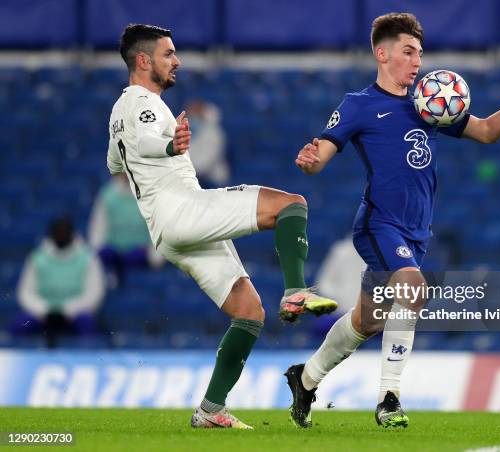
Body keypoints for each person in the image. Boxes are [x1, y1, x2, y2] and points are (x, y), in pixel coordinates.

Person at [285, 12, 500, 428]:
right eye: (408, 52)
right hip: (379, 225)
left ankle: (305, 379)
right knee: (412, 285)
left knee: (368, 320)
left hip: (416, 232)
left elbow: (485, 132)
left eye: (420, 54)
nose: (416, 61)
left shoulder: (429, 105)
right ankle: (389, 398)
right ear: (382, 53)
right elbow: (319, 156)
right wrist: (309, 161)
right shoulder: (359, 105)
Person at [108, 24, 337, 430]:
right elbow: (145, 142)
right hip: (182, 210)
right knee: (290, 205)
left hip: (168, 232)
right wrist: (168, 146)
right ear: (143, 61)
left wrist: (153, 157)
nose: (176, 60)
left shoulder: (120, 111)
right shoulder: (144, 103)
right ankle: (296, 290)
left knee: (248, 312)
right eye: (168, 54)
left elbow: (116, 162)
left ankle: (210, 411)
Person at [12, 217, 105, 347]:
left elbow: (93, 294)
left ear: (72, 233)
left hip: (75, 314)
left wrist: (66, 311)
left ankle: (88, 360)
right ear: (51, 234)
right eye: (58, 232)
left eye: (65, 232)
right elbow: (25, 292)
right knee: (20, 325)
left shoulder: (88, 258)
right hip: (42, 314)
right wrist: (46, 310)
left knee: (87, 323)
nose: (61, 235)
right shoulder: (37, 258)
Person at [89, 173, 164, 286]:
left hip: (141, 257)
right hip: (113, 255)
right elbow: (97, 232)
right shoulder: (107, 195)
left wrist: (154, 259)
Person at [184, 100, 230, 187]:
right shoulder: (185, 131)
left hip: (213, 180)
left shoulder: (214, 133)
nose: (192, 118)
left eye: (195, 114)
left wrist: (190, 170)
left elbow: (209, 159)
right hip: (192, 177)